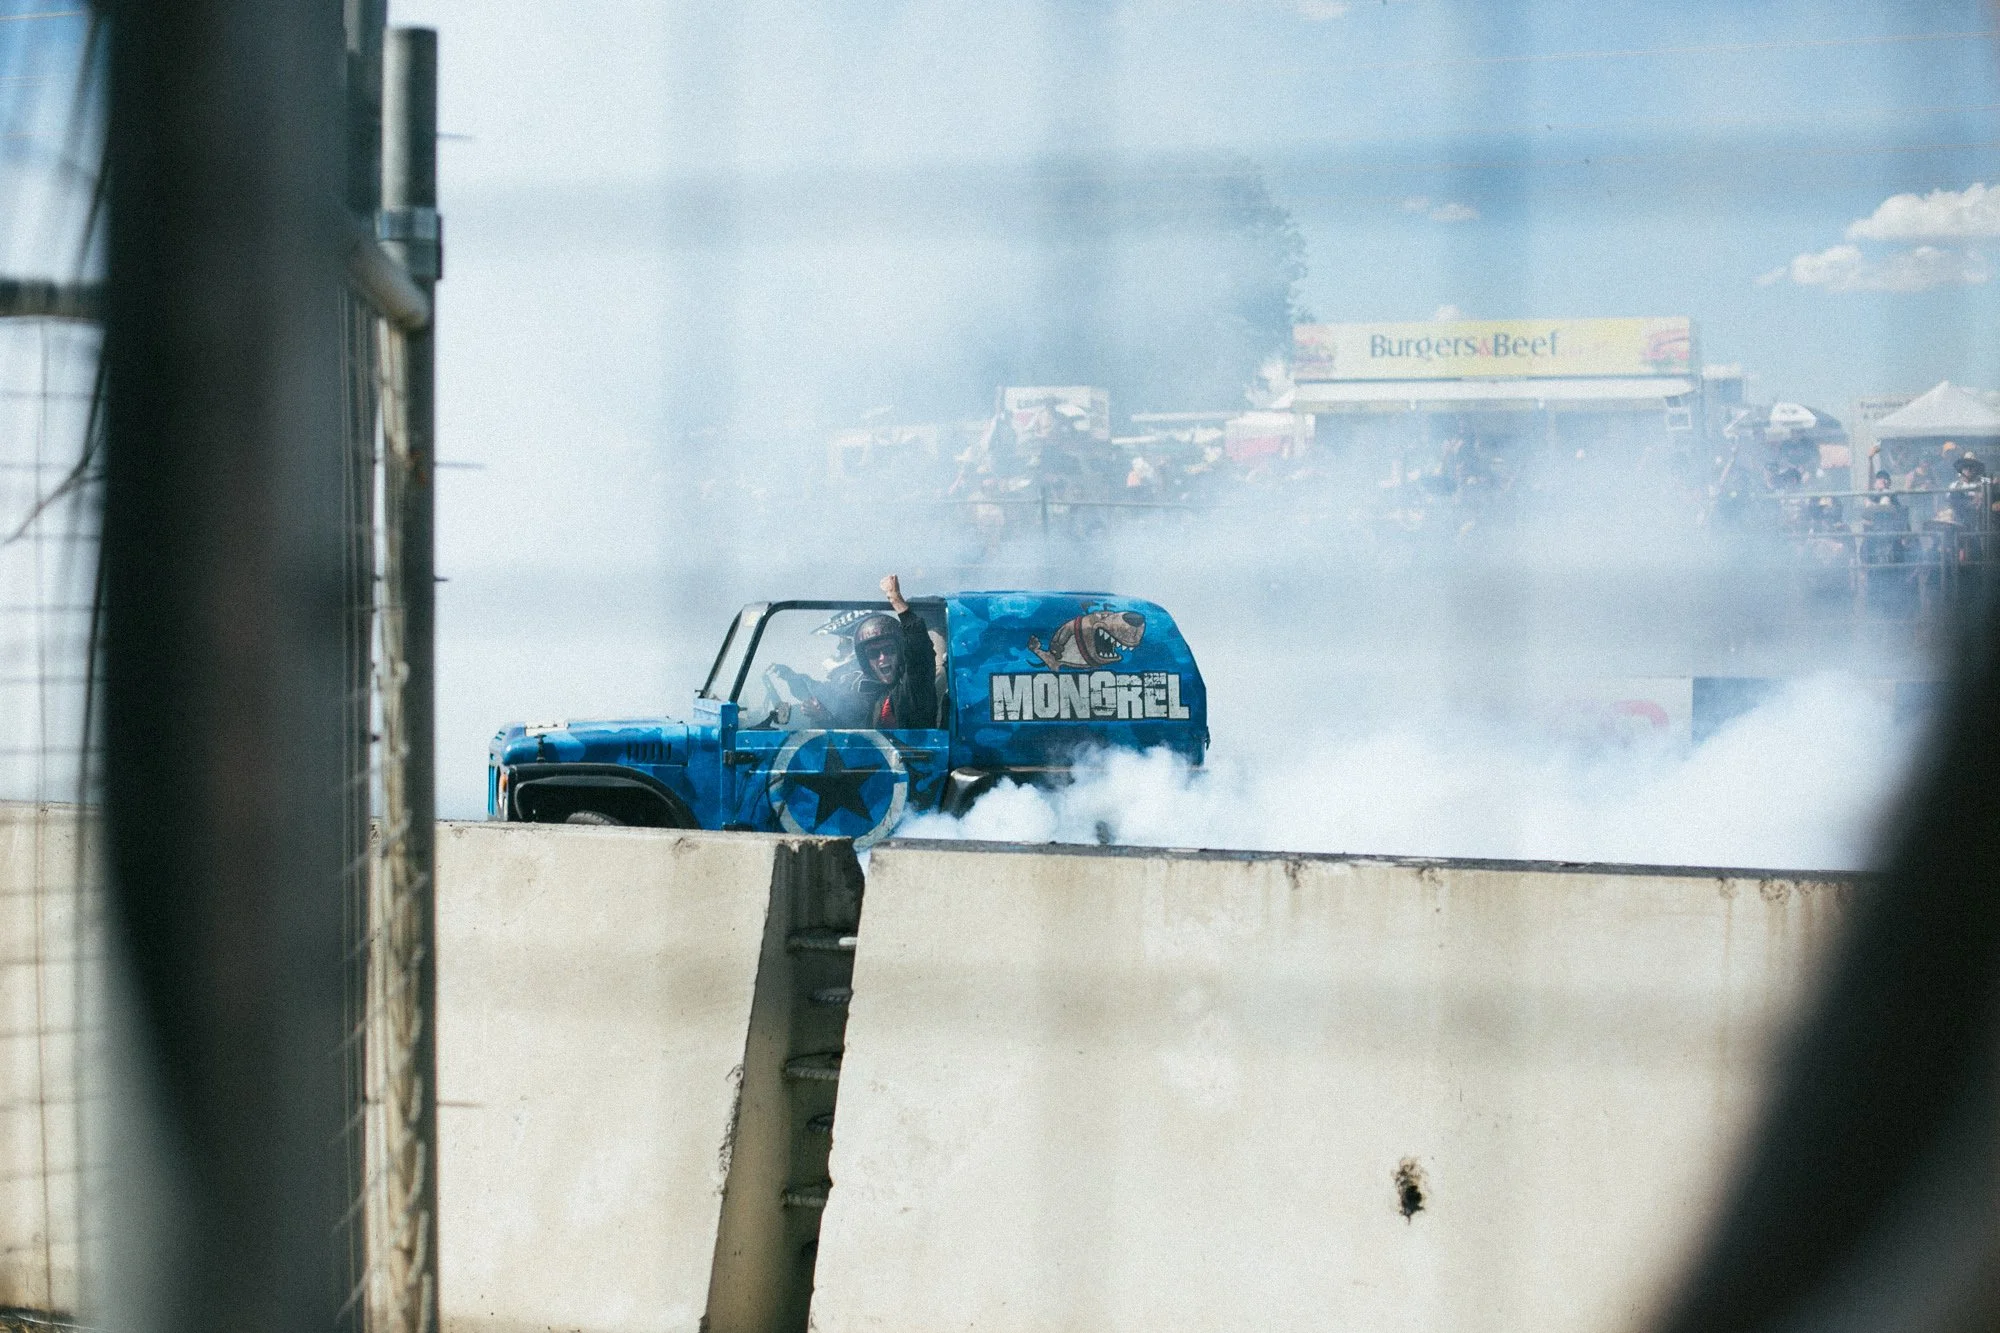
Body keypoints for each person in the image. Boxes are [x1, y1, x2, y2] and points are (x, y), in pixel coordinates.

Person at [813, 575, 939, 730]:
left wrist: (896, 600)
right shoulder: (866, 698)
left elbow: (921, 654)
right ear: (865, 661)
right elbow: (848, 742)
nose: (882, 657)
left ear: (900, 652)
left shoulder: (913, 688)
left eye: (889, 650)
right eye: (873, 653)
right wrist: (822, 717)